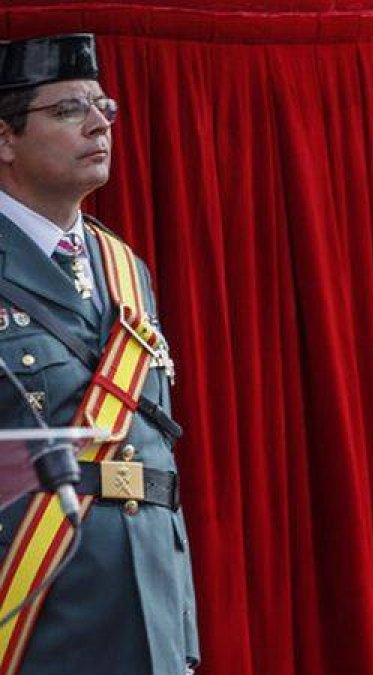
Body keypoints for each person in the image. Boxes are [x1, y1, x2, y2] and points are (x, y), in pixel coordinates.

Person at [0, 34, 199, 674]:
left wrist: (182, 628)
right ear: (5, 139)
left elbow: (153, 462)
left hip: (148, 607)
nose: (98, 125)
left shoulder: (125, 269)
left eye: (102, 107)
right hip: (32, 613)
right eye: (66, 111)